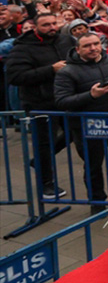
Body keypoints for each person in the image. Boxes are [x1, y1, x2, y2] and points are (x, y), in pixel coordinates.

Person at [53, 33, 108, 210]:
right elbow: (62, 101)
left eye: (96, 44)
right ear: (77, 49)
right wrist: (91, 95)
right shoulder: (67, 72)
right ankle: (97, 201)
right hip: (87, 125)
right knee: (93, 165)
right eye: (87, 46)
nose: (93, 48)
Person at [5, 13, 76, 198]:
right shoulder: (22, 48)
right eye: (46, 25)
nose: (52, 27)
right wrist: (50, 69)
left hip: (65, 98)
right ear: (35, 27)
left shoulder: (66, 40)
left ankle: (39, 161)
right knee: (43, 143)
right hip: (40, 103)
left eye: (54, 23)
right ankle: (46, 184)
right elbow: (15, 77)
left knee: (74, 132)